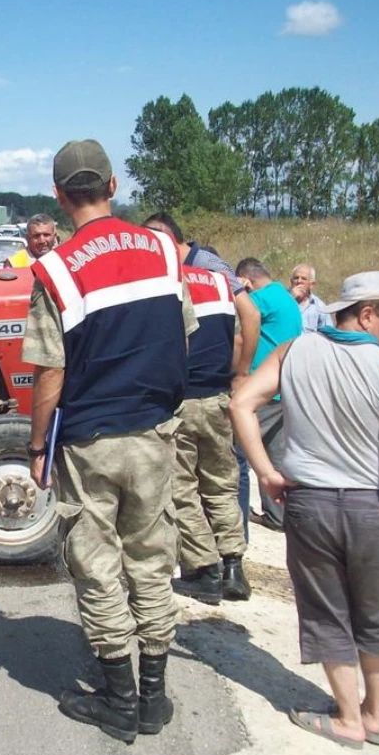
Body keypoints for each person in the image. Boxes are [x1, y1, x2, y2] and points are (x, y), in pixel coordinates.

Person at [23, 139, 196, 743]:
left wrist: (38, 444)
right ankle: (155, 697)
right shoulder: (164, 250)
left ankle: (119, 700)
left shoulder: (56, 269)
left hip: (91, 437)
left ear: (59, 194)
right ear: (114, 185)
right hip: (154, 430)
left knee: (98, 566)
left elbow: (50, 371)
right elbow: (186, 332)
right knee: (152, 559)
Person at [230, 271, 379, 749]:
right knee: (378, 608)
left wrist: (265, 471)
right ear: (367, 314)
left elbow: (242, 403)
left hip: (311, 503)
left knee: (326, 609)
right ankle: (373, 714)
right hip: (373, 506)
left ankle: (346, 717)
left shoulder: (293, 352)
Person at [145, 214, 262, 539]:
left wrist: (241, 373)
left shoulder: (210, 268)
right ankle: (231, 556)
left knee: (204, 480)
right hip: (214, 391)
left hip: (200, 392)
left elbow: (249, 316)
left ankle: (211, 561)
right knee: (217, 478)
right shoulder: (199, 272)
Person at [159, 244, 250, 605]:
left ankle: (204, 570)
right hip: (218, 397)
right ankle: (233, 567)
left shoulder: (170, 283)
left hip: (183, 400)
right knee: (221, 485)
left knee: (181, 489)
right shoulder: (219, 283)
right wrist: (236, 374)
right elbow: (241, 334)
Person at [235, 257, 303, 533]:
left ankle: (236, 522)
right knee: (274, 455)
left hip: (260, 388)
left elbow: (239, 318)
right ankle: (277, 517)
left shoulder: (261, 298)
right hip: (283, 388)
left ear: (248, 281)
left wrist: (236, 291)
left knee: (236, 454)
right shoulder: (286, 298)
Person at [290, 264, 330, 333]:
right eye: (296, 278)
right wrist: (290, 298)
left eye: (303, 278)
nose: (299, 281)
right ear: (291, 281)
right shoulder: (281, 300)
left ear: (311, 284)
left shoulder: (319, 306)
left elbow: (328, 333)